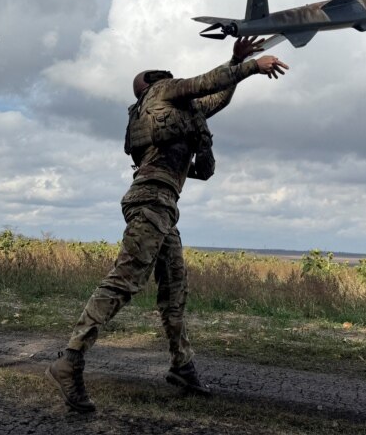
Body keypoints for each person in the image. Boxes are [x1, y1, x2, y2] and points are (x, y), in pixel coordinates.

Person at [46, 36, 289, 412]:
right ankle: (70, 358)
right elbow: (205, 84)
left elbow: (216, 96)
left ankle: (181, 366)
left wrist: (235, 65)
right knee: (125, 280)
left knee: (175, 291)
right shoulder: (162, 92)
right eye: (154, 77)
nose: (163, 76)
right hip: (150, 202)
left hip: (163, 207)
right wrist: (251, 66)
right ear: (149, 87)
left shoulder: (180, 112)